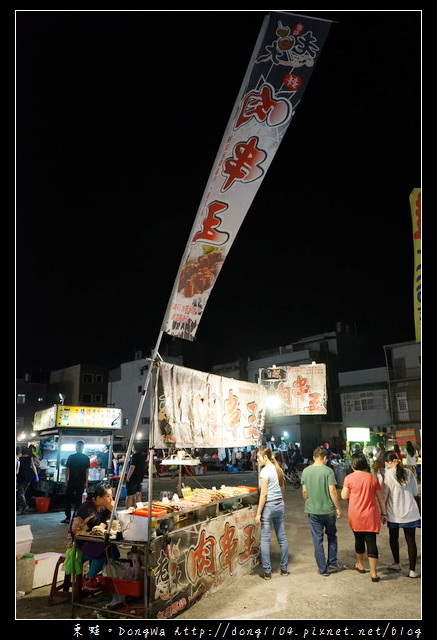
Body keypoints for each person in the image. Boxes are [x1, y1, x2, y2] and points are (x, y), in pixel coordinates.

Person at [341, 452, 387, 582]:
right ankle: (373, 573)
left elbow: (344, 496)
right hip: (371, 515)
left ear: (353, 464)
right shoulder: (372, 478)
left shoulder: (349, 478)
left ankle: (360, 565)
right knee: (371, 542)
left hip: (356, 515)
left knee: (359, 540)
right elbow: (380, 498)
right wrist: (384, 513)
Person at [301, 446, 344, 576]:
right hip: (328, 511)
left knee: (317, 540)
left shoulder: (306, 471)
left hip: (313, 511)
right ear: (325, 458)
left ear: (314, 458)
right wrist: (338, 507)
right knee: (332, 537)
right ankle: (332, 564)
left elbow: (304, 491)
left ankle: (323, 569)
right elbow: (332, 491)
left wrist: (309, 501)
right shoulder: (328, 471)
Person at [69, 483, 118, 591]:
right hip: (81, 543)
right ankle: (89, 579)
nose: (111, 499)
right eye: (108, 496)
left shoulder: (101, 507)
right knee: (103, 550)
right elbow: (95, 525)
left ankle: (102, 578)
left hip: (94, 540)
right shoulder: (86, 508)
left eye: (111, 496)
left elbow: (110, 521)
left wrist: (111, 511)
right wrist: (110, 510)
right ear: (99, 497)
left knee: (114, 550)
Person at [382, 451, 421, 578]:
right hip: (410, 511)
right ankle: (412, 570)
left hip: (394, 513)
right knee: (411, 541)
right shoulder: (409, 473)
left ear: (389, 462)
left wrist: (383, 512)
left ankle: (397, 563)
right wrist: (419, 511)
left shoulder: (387, 475)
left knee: (393, 537)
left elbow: (384, 496)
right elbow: (416, 494)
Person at [254, 445, 289, 579]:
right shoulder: (277, 469)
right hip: (280, 504)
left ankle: (267, 572)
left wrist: (258, 513)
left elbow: (263, 494)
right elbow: (282, 489)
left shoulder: (265, 471)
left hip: (268, 507)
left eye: (258, 457)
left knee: (265, 540)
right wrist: (281, 503)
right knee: (282, 538)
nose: (257, 460)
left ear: (265, 457)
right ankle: (284, 569)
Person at [62, 440, 90, 524]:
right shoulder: (86, 458)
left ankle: (68, 517)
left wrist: (66, 479)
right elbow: (87, 471)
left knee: (68, 499)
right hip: (81, 481)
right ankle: (76, 516)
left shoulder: (71, 457)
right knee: (78, 499)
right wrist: (86, 481)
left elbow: (67, 469)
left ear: (76, 447)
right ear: (83, 448)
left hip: (72, 480)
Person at [16, 445, 38, 514]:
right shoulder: (30, 458)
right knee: (22, 492)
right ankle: (23, 506)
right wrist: (36, 475)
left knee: (20, 492)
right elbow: (33, 467)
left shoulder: (19, 459)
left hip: (21, 477)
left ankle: (24, 506)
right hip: (28, 477)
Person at [126, 444, 148, 508]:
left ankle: (128, 510)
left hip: (133, 478)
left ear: (134, 448)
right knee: (138, 494)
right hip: (139, 477)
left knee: (130, 495)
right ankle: (139, 509)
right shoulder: (143, 456)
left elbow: (132, 467)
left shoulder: (134, 456)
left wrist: (128, 476)